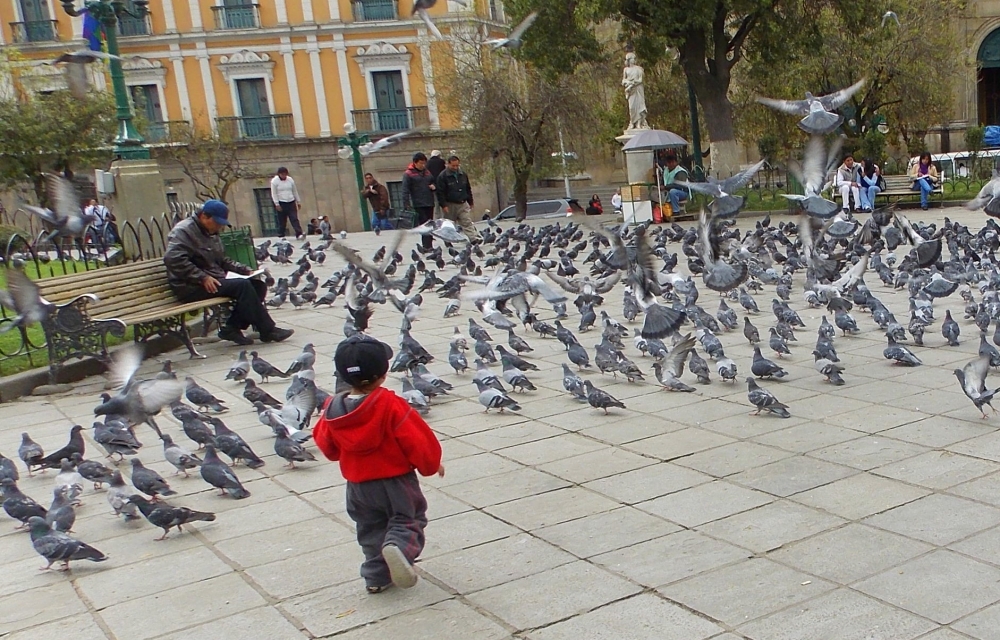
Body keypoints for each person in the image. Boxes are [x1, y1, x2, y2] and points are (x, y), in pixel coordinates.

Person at [313, 334, 444, 594]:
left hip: (357, 487)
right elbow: (418, 441)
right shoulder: (390, 404)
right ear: (383, 374)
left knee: (370, 529)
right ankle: (399, 550)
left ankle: (375, 577)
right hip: (395, 482)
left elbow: (327, 447)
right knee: (408, 520)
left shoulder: (332, 408)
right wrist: (432, 465)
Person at [164, 200, 293, 346]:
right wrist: (202, 277)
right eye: (217, 222)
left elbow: (221, 260)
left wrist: (242, 269)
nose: (220, 227)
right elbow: (172, 259)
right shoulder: (184, 231)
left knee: (257, 286)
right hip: (189, 285)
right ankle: (268, 330)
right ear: (204, 216)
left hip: (211, 279)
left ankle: (232, 327)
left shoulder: (210, 232)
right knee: (242, 286)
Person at [436, 155, 482, 242]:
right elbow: (440, 192)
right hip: (450, 204)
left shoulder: (463, 174)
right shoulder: (442, 176)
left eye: (457, 165)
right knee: (449, 225)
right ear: (448, 164)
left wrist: (470, 201)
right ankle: (448, 241)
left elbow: (468, 188)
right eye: (453, 166)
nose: (455, 167)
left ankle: (473, 239)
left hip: (462, 203)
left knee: (467, 221)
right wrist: (443, 205)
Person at [402, 152, 437, 250]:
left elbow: (433, 181)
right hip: (418, 203)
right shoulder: (408, 174)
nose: (423, 165)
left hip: (429, 202)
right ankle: (427, 246)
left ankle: (429, 244)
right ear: (415, 162)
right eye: (421, 163)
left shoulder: (427, 172)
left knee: (430, 224)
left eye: (424, 163)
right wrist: (406, 204)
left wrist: (433, 186)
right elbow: (405, 190)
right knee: (424, 224)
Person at [270, 167, 303, 239]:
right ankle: (281, 234)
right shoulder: (274, 181)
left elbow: (294, 191)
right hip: (281, 202)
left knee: (294, 218)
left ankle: (299, 233)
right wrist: (276, 204)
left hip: (291, 201)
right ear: (279, 174)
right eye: (282, 174)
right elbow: (274, 193)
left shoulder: (290, 180)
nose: (284, 176)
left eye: (285, 174)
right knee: (282, 220)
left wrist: (298, 201)